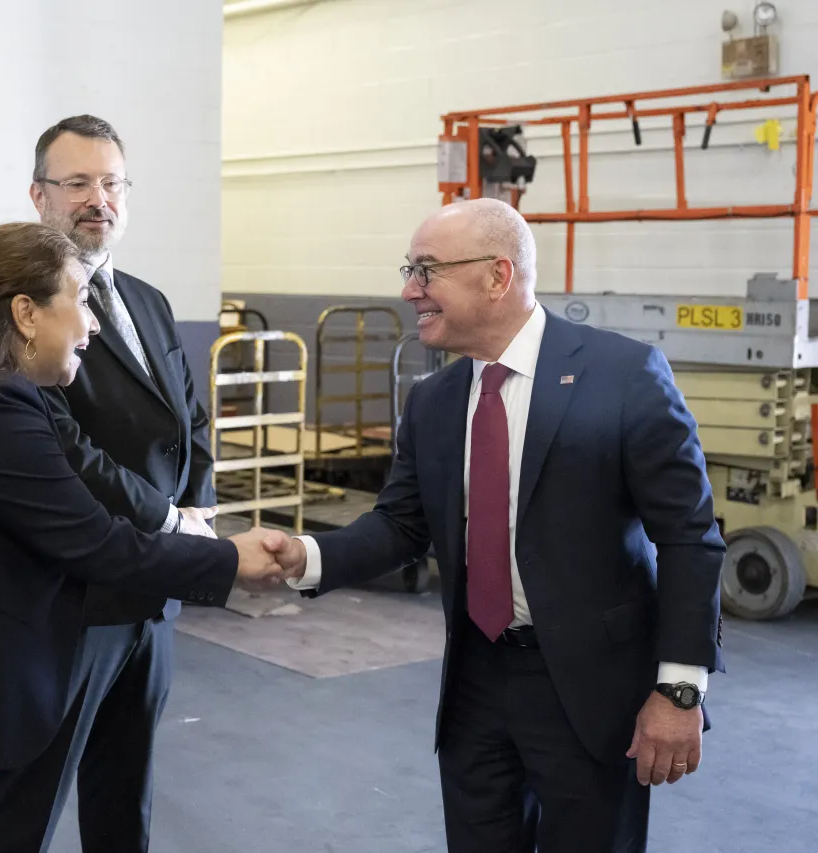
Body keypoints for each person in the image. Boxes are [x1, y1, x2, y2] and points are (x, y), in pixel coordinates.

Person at [268, 198, 726, 853]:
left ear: (497, 275)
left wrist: (678, 688)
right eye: (410, 270)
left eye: (426, 271)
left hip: (590, 691)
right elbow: (401, 525)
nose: (409, 290)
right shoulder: (435, 401)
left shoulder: (624, 377)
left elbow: (689, 538)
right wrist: (303, 555)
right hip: (475, 681)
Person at [0, 221, 283, 852]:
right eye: (81, 301)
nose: (91, 324)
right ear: (26, 313)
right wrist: (227, 560)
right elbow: (95, 543)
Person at [0, 114, 215, 853]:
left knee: (126, 799)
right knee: (29, 807)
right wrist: (171, 524)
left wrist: (196, 514)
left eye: (111, 183)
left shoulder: (147, 300)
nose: (97, 199)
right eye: (77, 182)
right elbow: (66, 448)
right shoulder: (16, 309)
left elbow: (188, 424)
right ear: (38, 196)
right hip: (66, 603)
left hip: (151, 600)